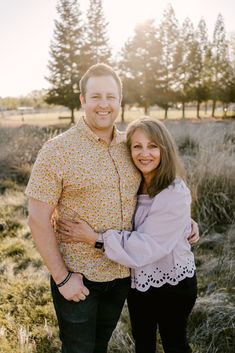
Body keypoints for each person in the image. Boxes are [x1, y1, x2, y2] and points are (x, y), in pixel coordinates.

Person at [26, 63, 198, 353]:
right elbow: (36, 219)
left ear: (120, 101)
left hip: (122, 277)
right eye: (96, 97)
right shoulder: (57, 150)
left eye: (111, 97)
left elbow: (153, 191)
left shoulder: (129, 145)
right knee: (79, 349)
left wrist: (183, 220)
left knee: (101, 346)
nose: (104, 104)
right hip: (79, 276)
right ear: (82, 100)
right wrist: (63, 278)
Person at [57, 117, 198, 353]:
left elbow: (149, 244)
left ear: (165, 149)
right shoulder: (134, 184)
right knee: (143, 344)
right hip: (138, 281)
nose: (145, 154)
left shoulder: (173, 190)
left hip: (173, 284)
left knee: (175, 343)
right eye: (137, 146)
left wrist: (95, 238)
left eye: (153, 146)